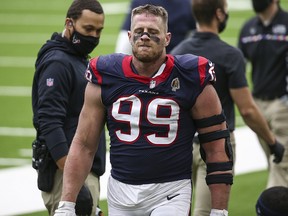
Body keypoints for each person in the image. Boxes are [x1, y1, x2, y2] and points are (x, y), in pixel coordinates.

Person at [55, 4, 233, 216]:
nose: (145, 37)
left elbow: (217, 147)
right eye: (139, 32)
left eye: (153, 32)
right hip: (121, 192)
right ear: (130, 36)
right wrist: (66, 204)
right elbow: (84, 145)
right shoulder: (106, 75)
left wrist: (219, 210)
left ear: (167, 38)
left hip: (171, 191)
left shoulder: (191, 76)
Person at [170, 0, 285, 215]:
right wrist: (271, 141)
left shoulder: (177, 52)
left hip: (181, 144)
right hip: (217, 146)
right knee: (207, 212)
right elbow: (248, 110)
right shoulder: (229, 55)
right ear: (220, 14)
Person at [31, 0, 106, 215]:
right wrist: (75, 183)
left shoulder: (75, 57)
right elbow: (49, 122)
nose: (94, 36)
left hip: (79, 171)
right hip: (66, 173)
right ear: (69, 23)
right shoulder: (59, 63)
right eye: (88, 29)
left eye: (99, 30)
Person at [238, 0, 288, 188]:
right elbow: (238, 65)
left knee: (280, 163)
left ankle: (271, 209)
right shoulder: (249, 27)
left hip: (282, 104)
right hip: (257, 104)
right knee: (273, 162)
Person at [115, 0, 196, 54]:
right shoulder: (186, 4)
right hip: (175, 63)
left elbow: (124, 43)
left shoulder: (185, 4)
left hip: (174, 63)